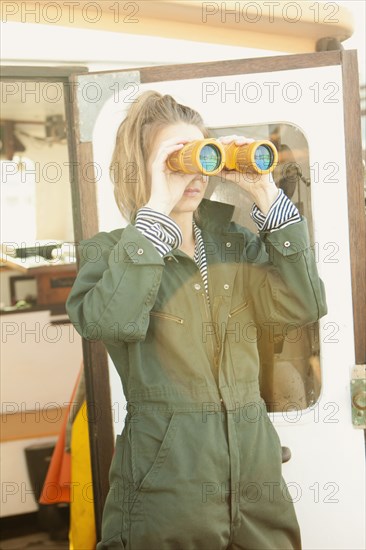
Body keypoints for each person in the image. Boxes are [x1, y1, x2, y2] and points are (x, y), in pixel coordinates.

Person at [66, 91, 327, 550]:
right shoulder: (110, 253)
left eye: (200, 153)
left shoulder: (236, 246)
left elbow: (302, 304)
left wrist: (265, 190)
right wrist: (153, 220)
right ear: (140, 169)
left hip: (257, 484)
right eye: (175, 159)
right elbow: (109, 322)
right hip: (166, 493)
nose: (193, 171)